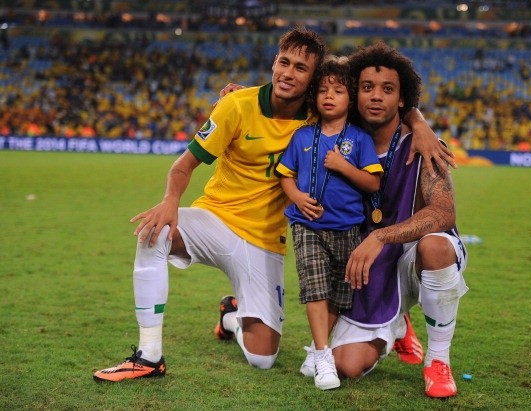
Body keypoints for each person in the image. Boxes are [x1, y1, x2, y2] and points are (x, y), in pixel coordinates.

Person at [92, 26, 453, 382]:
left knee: (262, 358)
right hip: (215, 219)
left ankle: (231, 316)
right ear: (273, 63)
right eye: (284, 62)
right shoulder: (237, 104)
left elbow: (377, 97)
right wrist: (170, 201)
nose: (288, 73)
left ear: (313, 82)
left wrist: (418, 122)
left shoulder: (321, 115)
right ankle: (149, 355)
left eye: (301, 68)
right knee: (154, 234)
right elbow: (184, 165)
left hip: (264, 241)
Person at [329, 42, 469, 399]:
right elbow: (301, 93)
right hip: (367, 264)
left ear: (403, 99)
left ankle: (438, 361)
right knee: (346, 367)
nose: (377, 97)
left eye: (388, 89)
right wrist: (242, 96)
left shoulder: (423, 144)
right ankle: (397, 325)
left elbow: (442, 213)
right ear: (354, 94)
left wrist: (381, 237)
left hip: (408, 255)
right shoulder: (337, 140)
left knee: (435, 245)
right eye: (367, 88)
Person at [276, 55, 383, 390]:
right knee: (314, 287)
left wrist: (342, 165)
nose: (328, 96)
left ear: (349, 98)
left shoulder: (360, 139)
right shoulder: (302, 136)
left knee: (339, 294)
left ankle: (314, 349)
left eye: (337, 90)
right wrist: (295, 197)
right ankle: (324, 356)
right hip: (306, 225)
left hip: (348, 228)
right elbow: (285, 176)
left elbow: (373, 183)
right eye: (322, 90)